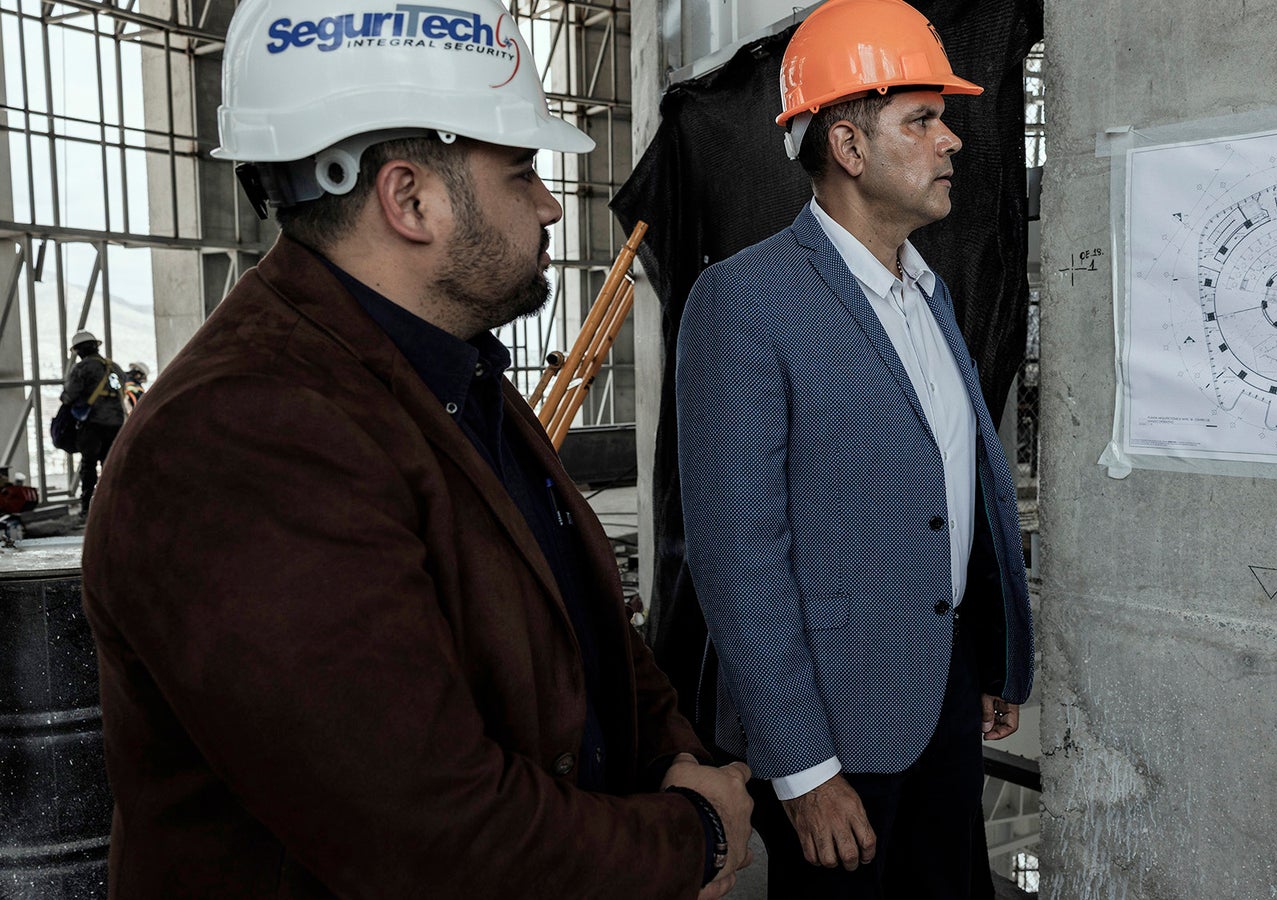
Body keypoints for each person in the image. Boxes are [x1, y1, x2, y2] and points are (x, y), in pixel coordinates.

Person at [80, 1, 751, 897]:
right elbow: (430, 835)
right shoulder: (241, 437)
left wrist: (672, 754)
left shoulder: (441, 372)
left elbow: (582, 623)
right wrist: (691, 835)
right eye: (521, 170)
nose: (551, 204)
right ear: (410, 198)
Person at [674, 0, 1035, 897]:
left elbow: (955, 493)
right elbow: (737, 557)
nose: (952, 141)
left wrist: (986, 655)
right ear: (847, 145)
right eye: (923, 119)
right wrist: (802, 770)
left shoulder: (928, 294)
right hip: (836, 731)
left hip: (943, 695)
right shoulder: (745, 303)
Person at [60, 329, 126, 517]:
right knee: (110, 465)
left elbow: (69, 395)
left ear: (79, 351)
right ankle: (113, 504)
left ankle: (88, 507)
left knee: (89, 465)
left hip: (92, 424)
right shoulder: (115, 367)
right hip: (116, 424)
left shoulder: (82, 369)